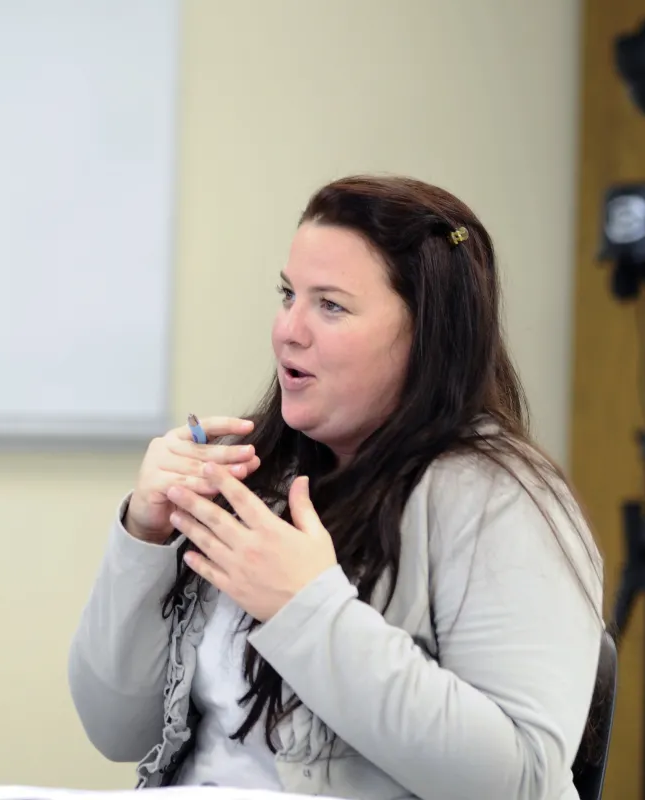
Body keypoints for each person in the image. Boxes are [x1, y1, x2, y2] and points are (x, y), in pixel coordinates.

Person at [68, 175, 606, 798]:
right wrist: (143, 535)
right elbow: (115, 731)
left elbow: (524, 783)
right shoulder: (260, 475)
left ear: (425, 332)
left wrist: (307, 611)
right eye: (287, 294)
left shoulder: (503, 501)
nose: (288, 330)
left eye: (330, 305)